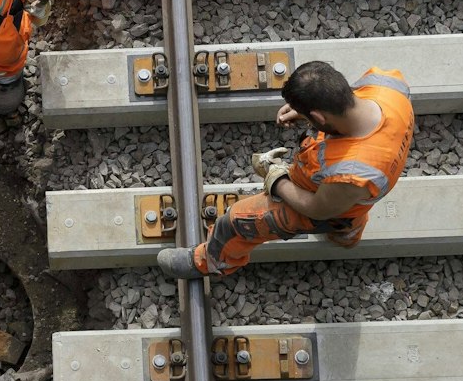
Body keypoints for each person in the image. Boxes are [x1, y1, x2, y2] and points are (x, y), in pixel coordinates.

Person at [157, 62, 414, 279]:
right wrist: (305, 113)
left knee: (236, 221)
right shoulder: (387, 86)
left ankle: (211, 261)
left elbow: (317, 207)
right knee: (349, 216)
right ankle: (347, 233)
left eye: (309, 116)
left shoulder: (351, 173)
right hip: (350, 199)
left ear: (321, 118)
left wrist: (275, 178)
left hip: (328, 203)